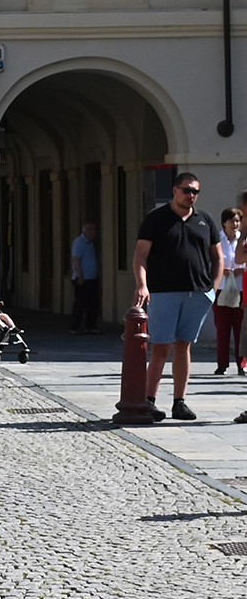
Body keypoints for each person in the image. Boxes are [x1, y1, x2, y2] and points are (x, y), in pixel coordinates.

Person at [133, 173, 223, 422]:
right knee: (161, 347)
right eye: (187, 190)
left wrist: (212, 289)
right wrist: (143, 285)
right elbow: (141, 255)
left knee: (184, 345)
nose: (191, 195)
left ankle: (179, 402)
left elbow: (217, 256)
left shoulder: (204, 220)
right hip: (163, 292)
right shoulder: (157, 219)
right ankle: (149, 400)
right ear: (175, 190)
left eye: (195, 191)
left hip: (197, 292)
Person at [213, 208, 245, 376]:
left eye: (238, 221)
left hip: (241, 289)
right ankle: (222, 364)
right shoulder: (217, 240)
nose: (235, 224)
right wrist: (220, 270)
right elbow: (209, 261)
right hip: (221, 288)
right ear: (224, 222)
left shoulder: (244, 241)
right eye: (232, 221)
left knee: (241, 329)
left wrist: (241, 269)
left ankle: (242, 364)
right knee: (223, 329)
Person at [70, 222, 101, 334]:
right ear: (86, 231)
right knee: (80, 304)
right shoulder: (79, 243)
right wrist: (80, 276)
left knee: (93, 303)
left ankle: (90, 326)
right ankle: (74, 328)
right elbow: (76, 259)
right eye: (92, 230)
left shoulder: (91, 243)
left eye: (94, 230)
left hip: (92, 278)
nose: (94, 233)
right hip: (82, 279)